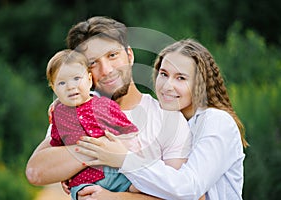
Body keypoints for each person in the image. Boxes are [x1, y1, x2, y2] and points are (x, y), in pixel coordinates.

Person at [25, 16, 192, 200]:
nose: (106, 70)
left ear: (129, 55)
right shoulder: (72, 112)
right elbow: (36, 172)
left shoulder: (167, 120)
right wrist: (100, 150)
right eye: (92, 63)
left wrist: (115, 197)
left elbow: (181, 194)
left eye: (112, 55)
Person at [74, 39, 248, 200]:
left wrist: (124, 160)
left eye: (181, 78)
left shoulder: (216, 121)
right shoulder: (172, 121)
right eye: (164, 74)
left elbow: (189, 188)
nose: (167, 86)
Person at [45, 49, 143, 200]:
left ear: (89, 80)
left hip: (114, 170)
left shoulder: (104, 105)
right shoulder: (58, 116)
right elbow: (58, 147)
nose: (70, 87)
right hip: (83, 180)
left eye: (76, 78)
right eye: (62, 83)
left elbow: (128, 131)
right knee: (85, 196)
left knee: (140, 185)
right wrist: (64, 173)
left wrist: (132, 152)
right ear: (54, 88)